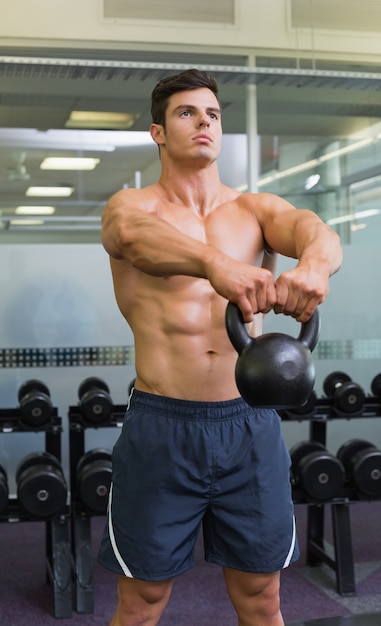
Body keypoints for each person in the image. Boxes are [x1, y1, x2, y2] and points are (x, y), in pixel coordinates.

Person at [98, 68, 342, 626]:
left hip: (247, 425)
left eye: (212, 114)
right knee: (141, 604)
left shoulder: (254, 211)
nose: (203, 122)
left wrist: (313, 268)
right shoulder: (132, 206)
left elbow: (313, 228)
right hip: (163, 425)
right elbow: (133, 240)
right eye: (186, 113)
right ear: (158, 132)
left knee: (262, 599)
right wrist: (218, 264)